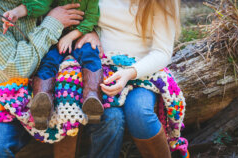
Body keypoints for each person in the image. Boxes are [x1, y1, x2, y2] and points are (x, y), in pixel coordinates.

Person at [0, 0, 124, 157]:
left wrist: (89, 31)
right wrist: (53, 22)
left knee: (113, 120)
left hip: (73, 75)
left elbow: (93, 12)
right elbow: (15, 70)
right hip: (15, 93)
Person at [75, 0, 181, 157]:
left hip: (143, 71)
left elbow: (162, 52)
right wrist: (89, 31)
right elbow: (86, 14)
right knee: (110, 117)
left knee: (139, 112)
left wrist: (130, 73)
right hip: (102, 67)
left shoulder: (162, 3)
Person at [1, 0, 103, 130]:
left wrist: (71, 36)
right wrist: (16, 13)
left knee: (90, 56)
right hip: (57, 36)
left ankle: (92, 97)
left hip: (80, 36)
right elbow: (39, 4)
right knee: (48, 60)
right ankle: (42, 103)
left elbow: (91, 19)